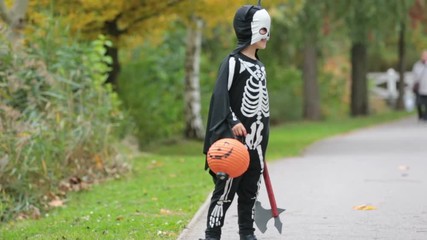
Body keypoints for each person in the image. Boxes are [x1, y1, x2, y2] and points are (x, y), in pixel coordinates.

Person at [201, 2, 271, 240]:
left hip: (258, 141)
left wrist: (262, 139)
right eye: (263, 30)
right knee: (226, 191)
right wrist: (231, 121)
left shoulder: (260, 66)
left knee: (251, 191)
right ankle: (212, 235)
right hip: (236, 143)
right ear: (249, 29)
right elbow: (220, 95)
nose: (267, 36)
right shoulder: (233, 62)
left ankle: (247, 234)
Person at [412, 50, 427, 120]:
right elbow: (415, 76)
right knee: (419, 103)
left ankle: (425, 116)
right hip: (420, 87)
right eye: (424, 56)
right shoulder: (417, 65)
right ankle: (421, 115)